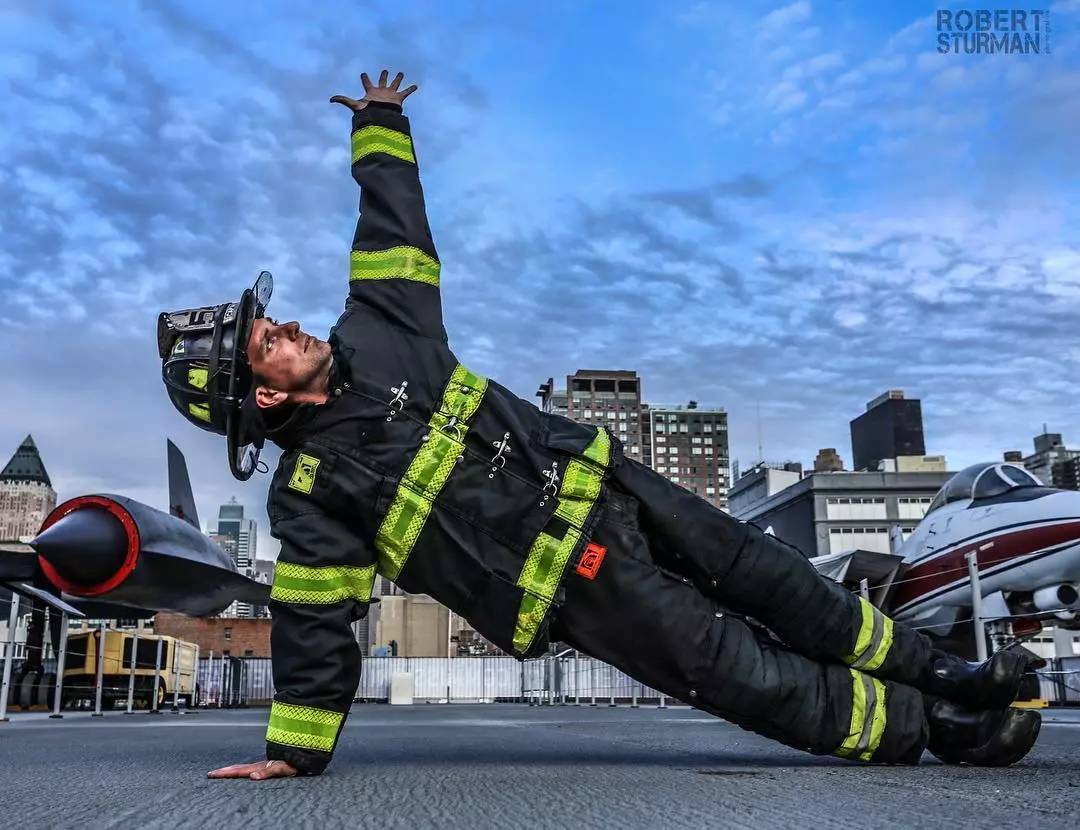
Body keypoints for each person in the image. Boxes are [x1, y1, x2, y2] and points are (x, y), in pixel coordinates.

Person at [155, 70, 1042, 781]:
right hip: (576, 583)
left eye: (274, 321)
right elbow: (316, 623)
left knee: (771, 575)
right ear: (263, 397)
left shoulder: (378, 327)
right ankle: (936, 729)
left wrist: (378, 126)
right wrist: (297, 748)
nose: (293, 328)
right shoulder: (308, 496)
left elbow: (397, 232)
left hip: (610, 481)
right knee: (734, 664)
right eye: (270, 340)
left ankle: (939, 668)